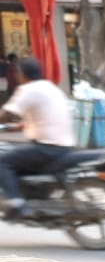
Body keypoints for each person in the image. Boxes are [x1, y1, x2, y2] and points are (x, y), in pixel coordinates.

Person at [0, 57, 76, 215]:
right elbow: (45, 117)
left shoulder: (27, 89)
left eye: (16, 72)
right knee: (19, 157)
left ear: (21, 74)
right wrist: (19, 126)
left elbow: (6, 114)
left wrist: (6, 119)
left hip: (47, 148)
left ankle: (15, 203)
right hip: (65, 146)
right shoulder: (50, 87)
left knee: (4, 161)